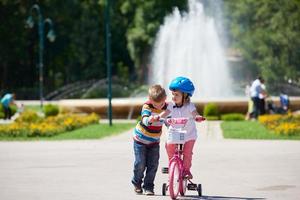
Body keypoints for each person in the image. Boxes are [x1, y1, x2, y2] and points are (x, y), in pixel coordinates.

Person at [156, 77, 205, 179]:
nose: (173, 97)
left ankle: (186, 171)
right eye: (173, 94)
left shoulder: (190, 106)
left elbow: (195, 113)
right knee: (169, 145)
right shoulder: (171, 105)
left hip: (189, 135)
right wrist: (158, 117)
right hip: (175, 133)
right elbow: (165, 113)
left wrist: (197, 117)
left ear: (185, 95)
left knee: (187, 153)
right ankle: (172, 164)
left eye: (177, 95)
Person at [131, 84, 168, 195]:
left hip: (154, 142)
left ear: (165, 99)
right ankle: (137, 182)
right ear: (150, 100)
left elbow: (168, 120)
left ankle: (148, 186)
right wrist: (150, 119)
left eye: (161, 104)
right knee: (140, 163)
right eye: (156, 105)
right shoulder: (147, 106)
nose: (159, 107)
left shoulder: (167, 108)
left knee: (153, 165)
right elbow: (145, 118)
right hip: (140, 140)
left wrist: (172, 125)